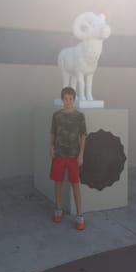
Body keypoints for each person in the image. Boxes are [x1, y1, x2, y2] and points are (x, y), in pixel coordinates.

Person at [49, 87, 87, 230]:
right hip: (58, 154)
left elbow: (83, 136)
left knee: (75, 184)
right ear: (62, 100)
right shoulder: (56, 115)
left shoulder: (79, 116)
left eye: (71, 99)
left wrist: (81, 154)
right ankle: (58, 210)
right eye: (65, 99)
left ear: (74, 100)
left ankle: (80, 216)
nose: (68, 101)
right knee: (58, 182)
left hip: (73, 156)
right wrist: (51, 147)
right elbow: (53, 132)